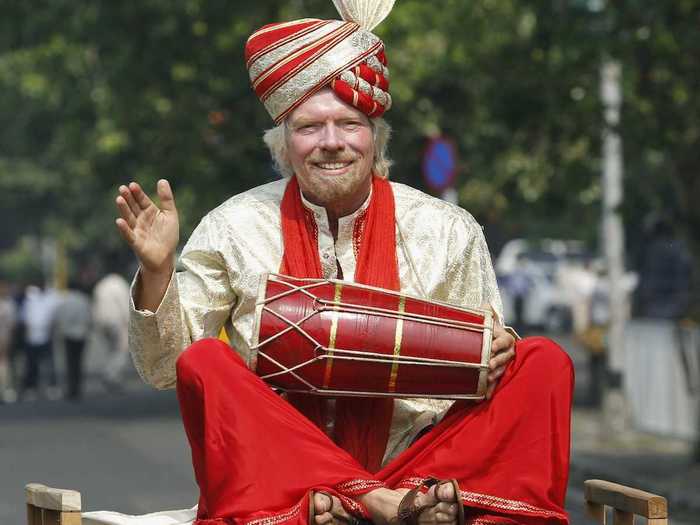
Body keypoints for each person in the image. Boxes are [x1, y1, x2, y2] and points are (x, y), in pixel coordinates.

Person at [115, 3, 574, 525]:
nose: (331, 143)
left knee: (544, 362)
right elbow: (161, 367)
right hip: (283, 473)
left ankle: (387, 500)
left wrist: (499, 347)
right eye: (310, 127)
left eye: (349, 124)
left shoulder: (448, 229)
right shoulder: (234, 226)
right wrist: (156, 272)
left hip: (422, 471)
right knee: (205, 364)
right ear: (283, 145)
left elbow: (483, 368)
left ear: (375, 139)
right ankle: (373, 501)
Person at [54, 279, 93, 400]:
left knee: (70, 363)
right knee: (79, 362)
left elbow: (58, 318)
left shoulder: (64, 301)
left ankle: (71, 388)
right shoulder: (84, 300)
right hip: (81, 334)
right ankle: (78, 388)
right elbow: (89, 318)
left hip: (68, 335)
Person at [92, 272, 131, 391]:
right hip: (117, 322)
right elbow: (125, 305)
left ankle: (110, 373)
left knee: (110, 350)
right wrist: (129, 322)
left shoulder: (101, 285)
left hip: (101, 322)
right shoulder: (120, 284)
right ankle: (111, 374)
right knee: (121, 350)